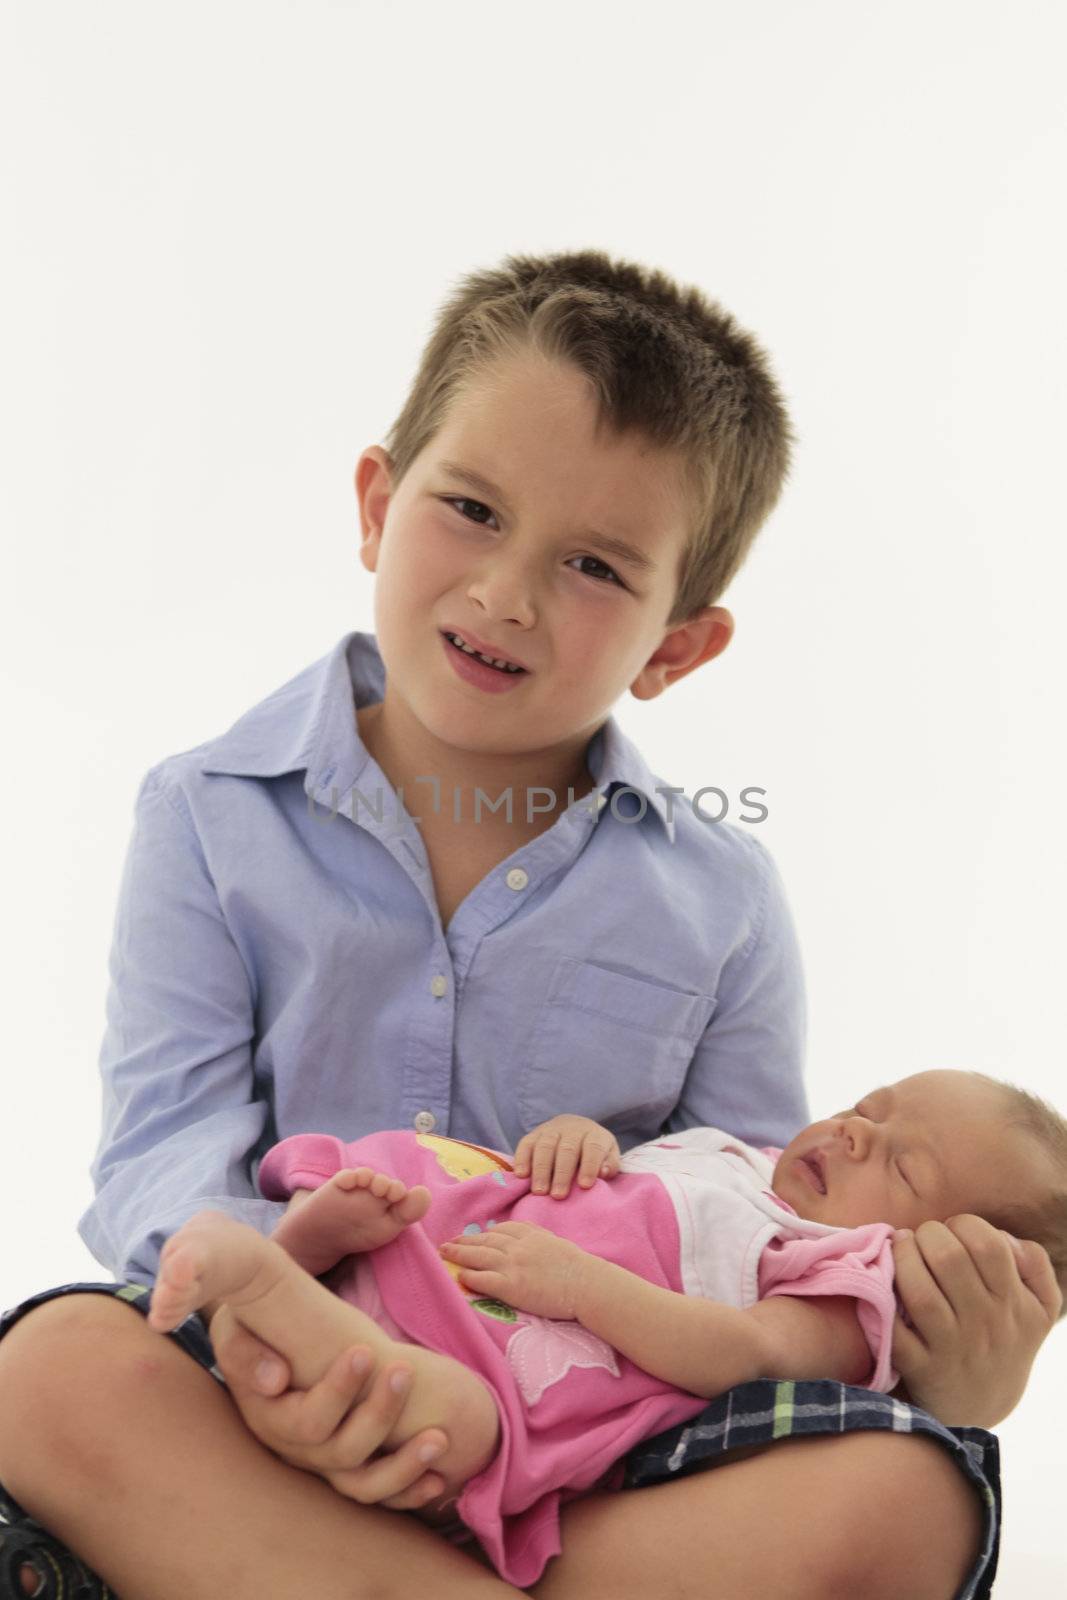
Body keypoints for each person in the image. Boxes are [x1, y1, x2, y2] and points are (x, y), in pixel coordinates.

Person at [0, 250, 1059, 1600]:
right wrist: (291, 1339)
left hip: (577, 1441)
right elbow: (164, 1151)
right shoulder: (206, 814)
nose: (505, 593)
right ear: (379, 503)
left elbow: (760, 1216)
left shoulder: (720, 900)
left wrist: (949, 1377)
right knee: (49, 1368)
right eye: (471, 509)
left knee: (911, 1492)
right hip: (273, 1379)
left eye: (592, 566)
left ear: (675, 647)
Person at [141, 1068, 1067, 1586]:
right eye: (871, 1108)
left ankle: (264, 1282)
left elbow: (746, 1355)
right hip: (461, 1249)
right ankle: (298, 1252)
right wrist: (577, 1137)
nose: (858, 1133)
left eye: (904, 1167)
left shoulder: (842, 1275)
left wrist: (585, 1290)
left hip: (525, 1374)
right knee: (381, 1218)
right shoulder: (733, 1159)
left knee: (450, 1416)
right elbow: (615, 1183)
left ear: (939, 1258)